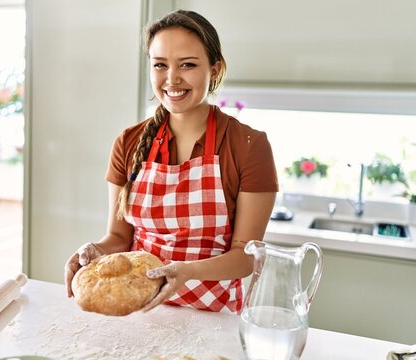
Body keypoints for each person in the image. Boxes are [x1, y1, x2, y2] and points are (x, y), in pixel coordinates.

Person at [65, 9, 278, 314]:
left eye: (188, 65)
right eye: (160, 65)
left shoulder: (248, 146)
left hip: (214, 318)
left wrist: (186, 272)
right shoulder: (128, 143)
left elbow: (245, 258)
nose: (172, 78)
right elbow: (119, 237)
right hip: (143, 313)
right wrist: (94, 251)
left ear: (215, 70)